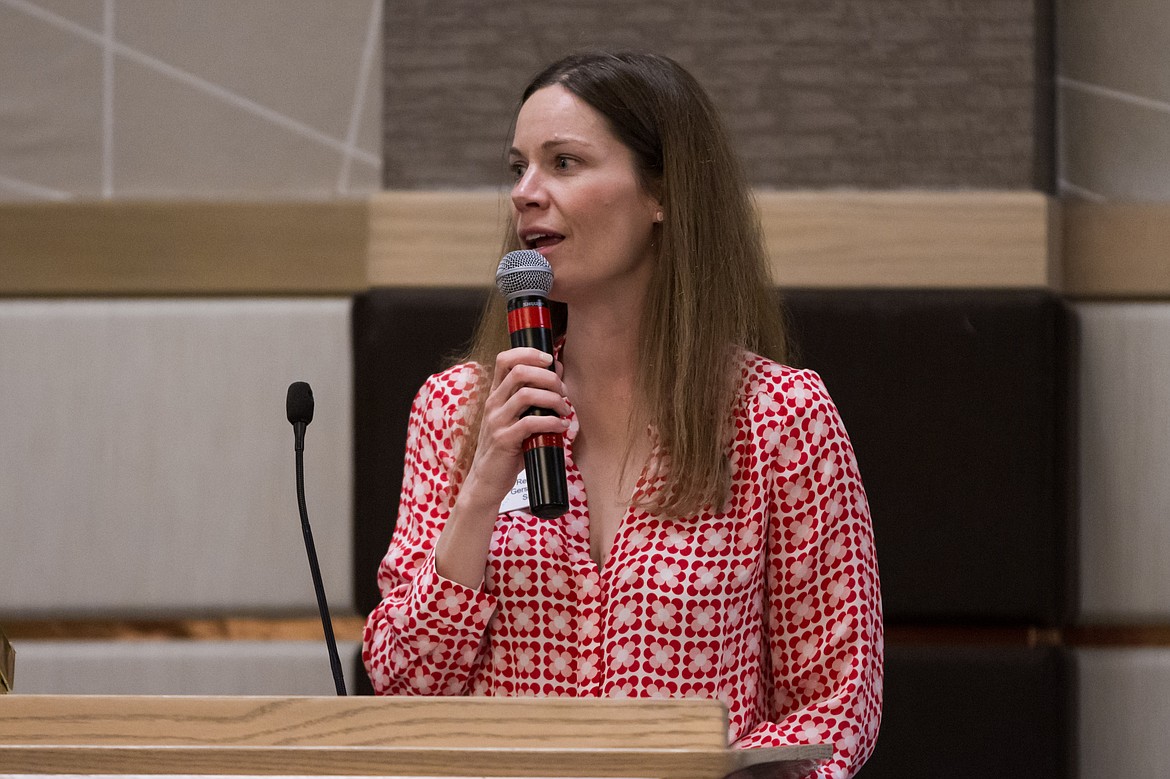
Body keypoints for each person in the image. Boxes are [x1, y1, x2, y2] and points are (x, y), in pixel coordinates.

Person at [362, 51, 882, 779]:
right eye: (518, 168)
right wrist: (481, 488)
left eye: (564, 163)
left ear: (661, 193)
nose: (526, 193)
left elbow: (837, 699)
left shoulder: (778, 418)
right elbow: (399, 682)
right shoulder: (455, 411)